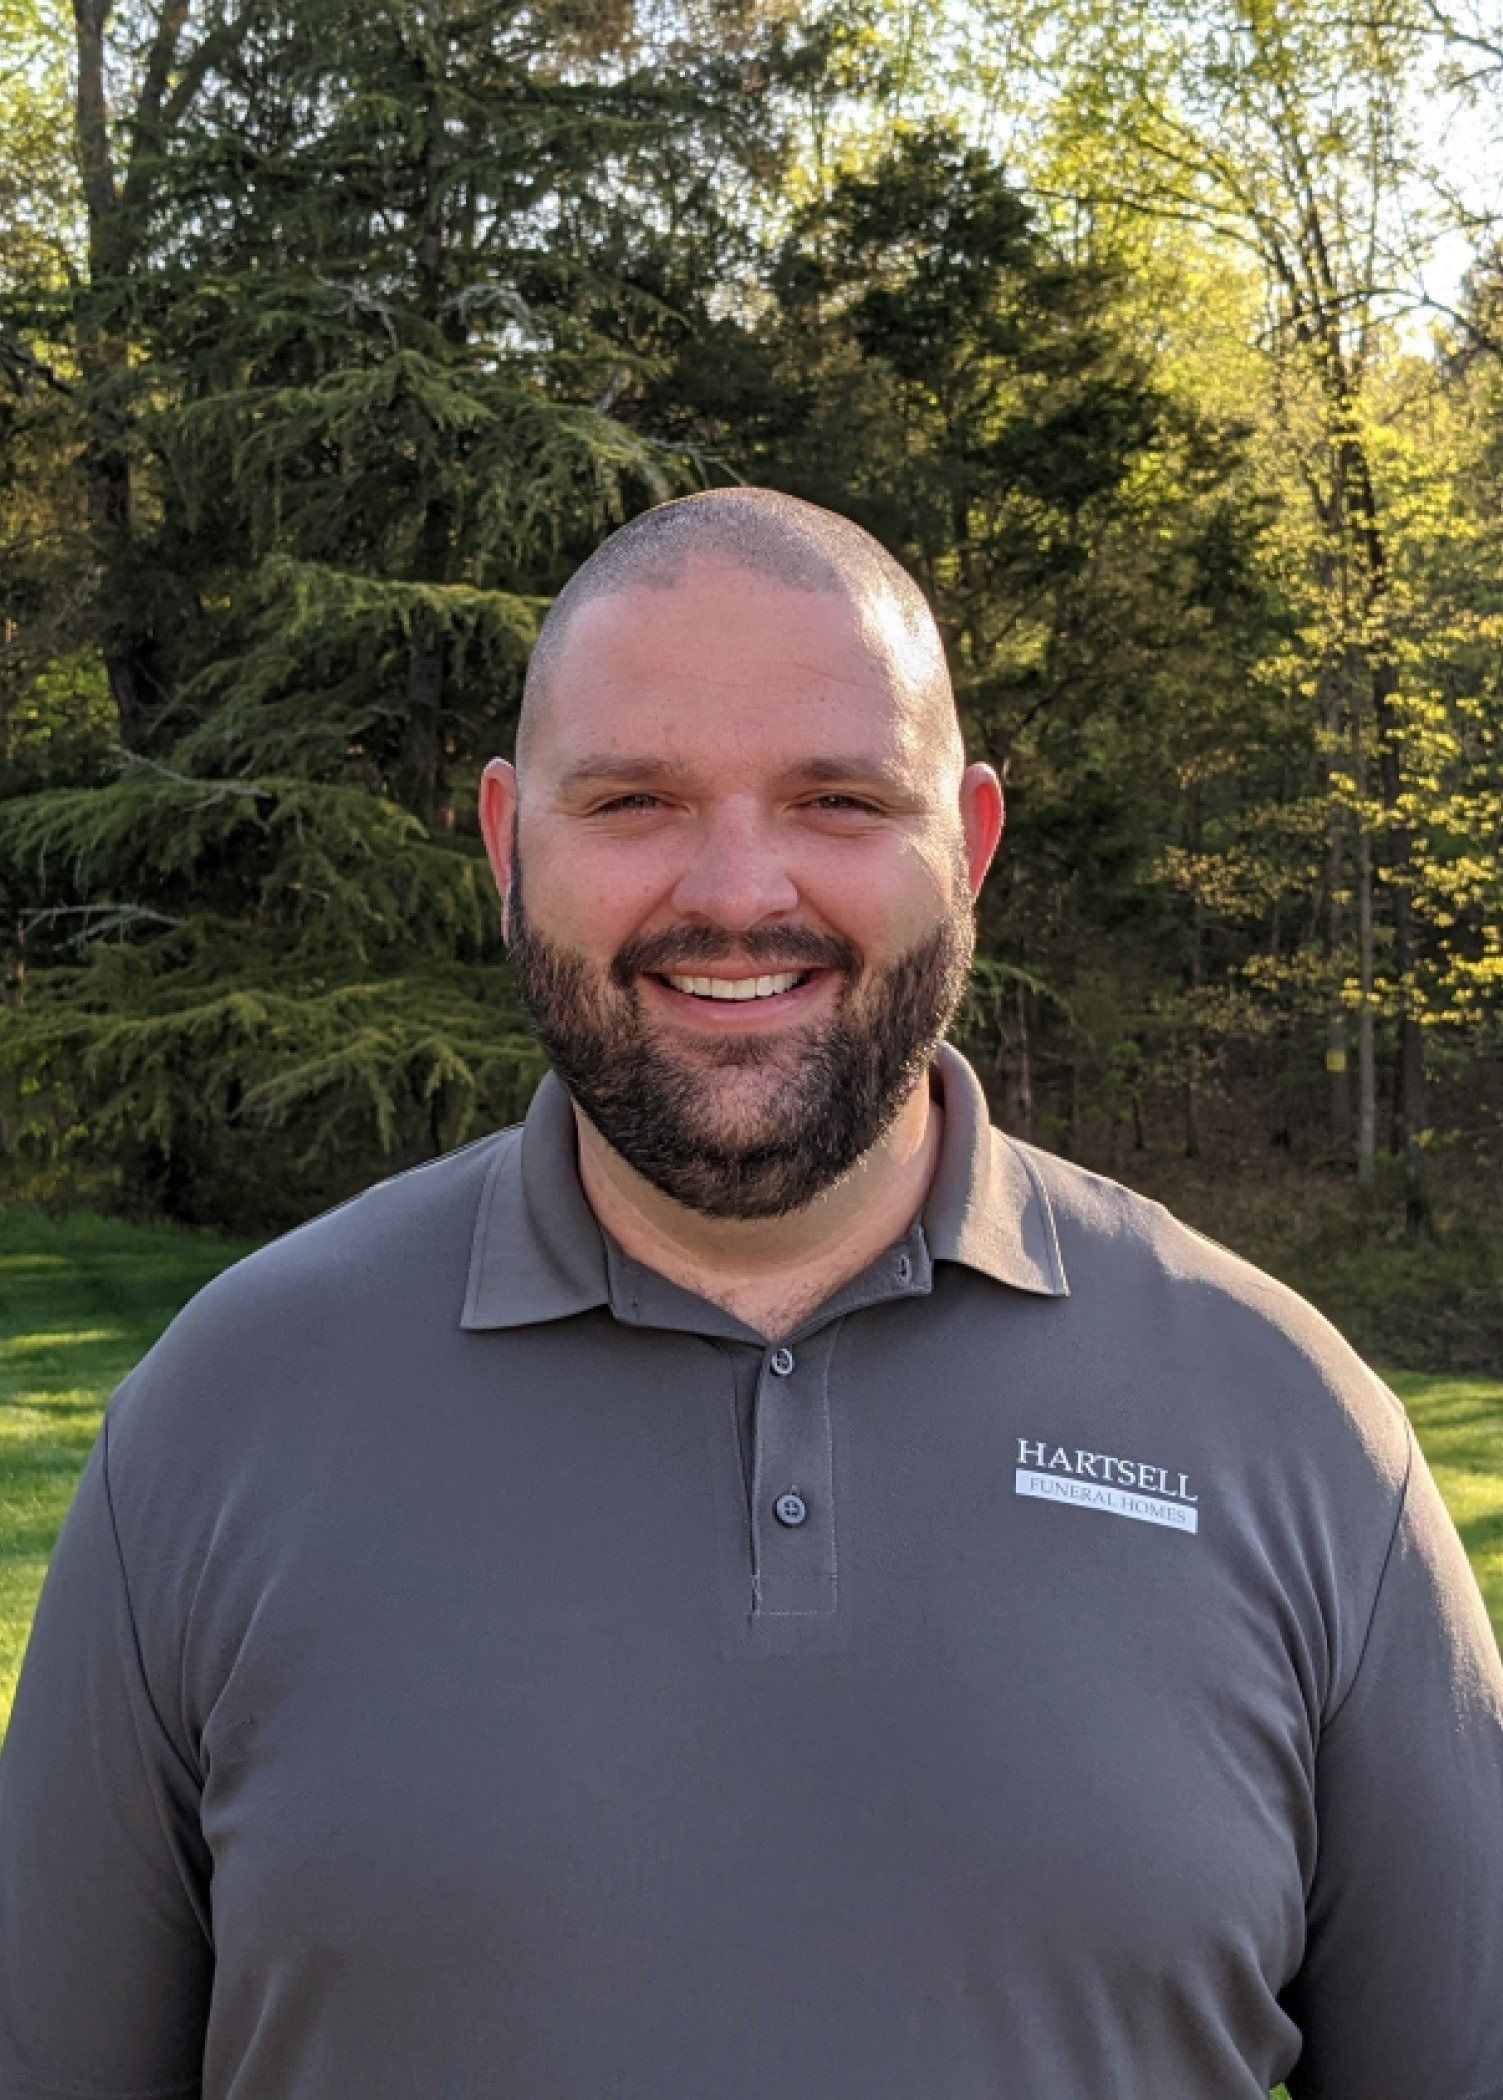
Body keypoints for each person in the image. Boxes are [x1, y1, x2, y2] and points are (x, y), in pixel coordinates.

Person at [1, 488, 1499, 2100]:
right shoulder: (222, 1418)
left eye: (839, 800)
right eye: (635, 798)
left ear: (970, 845)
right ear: (510, 844)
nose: (736, 893)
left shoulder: (1289, 1425)